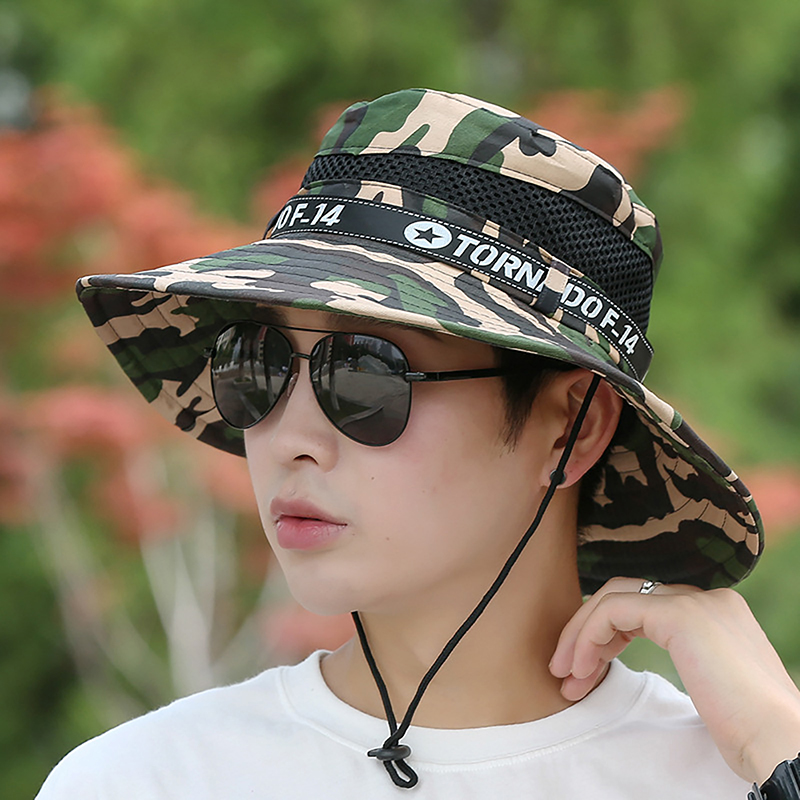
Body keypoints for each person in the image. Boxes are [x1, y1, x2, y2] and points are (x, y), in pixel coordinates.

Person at [37, 88, 800, 798]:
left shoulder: (738, 775)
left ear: (574, 427)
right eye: (257, 364)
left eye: (364, 373)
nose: (289, 437)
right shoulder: (143, 780)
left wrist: (781, 748)